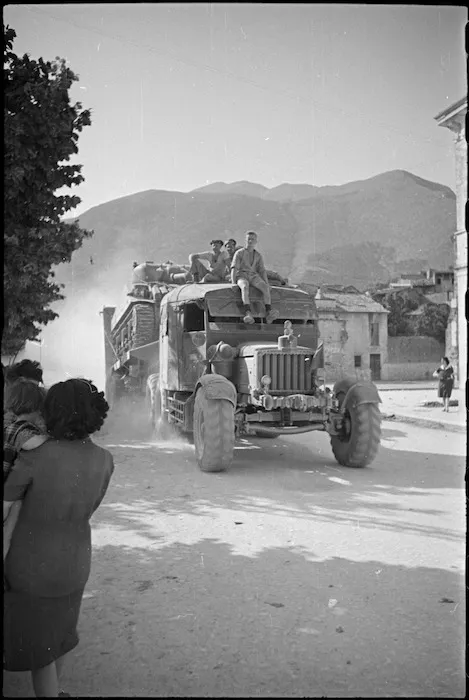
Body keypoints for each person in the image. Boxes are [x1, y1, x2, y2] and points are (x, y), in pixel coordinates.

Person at [3, 378, 114, 698]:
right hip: (77, 562)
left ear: (51, 411)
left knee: (39, 648)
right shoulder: (105, 459)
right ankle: (57, 690)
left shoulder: (35, 456)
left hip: (31, 566)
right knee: (61, 633)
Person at [231, 231, 279, 324]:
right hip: (242, 275)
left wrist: (267, 283)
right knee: (244, 287)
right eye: (248, 239)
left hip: (253, 276)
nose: (250, 241)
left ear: (256, 241)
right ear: (246, 240)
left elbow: (262, 271)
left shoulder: (258, 255)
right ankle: (248, 312)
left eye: (252, 239)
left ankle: (269, 311)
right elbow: (234, 268)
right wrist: (233, 283)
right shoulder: (239, 253)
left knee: (265, 288)